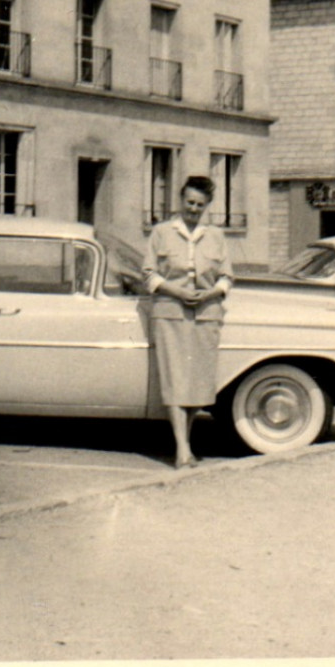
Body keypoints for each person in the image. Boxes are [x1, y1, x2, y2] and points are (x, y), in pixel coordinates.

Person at [143, 175, 234, 468]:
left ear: (207, 206)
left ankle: (187, 440)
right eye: (189, 203)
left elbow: (227, 278)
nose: (193, 209)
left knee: (198, 383)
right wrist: (178, 291)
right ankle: (183, 449)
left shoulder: (216, 237)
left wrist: (211, 293)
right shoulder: (161, 232)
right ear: (180, 201)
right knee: (174, 379)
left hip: (207, 314)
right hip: (170, 311)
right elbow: (149, 275)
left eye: (199, 205)